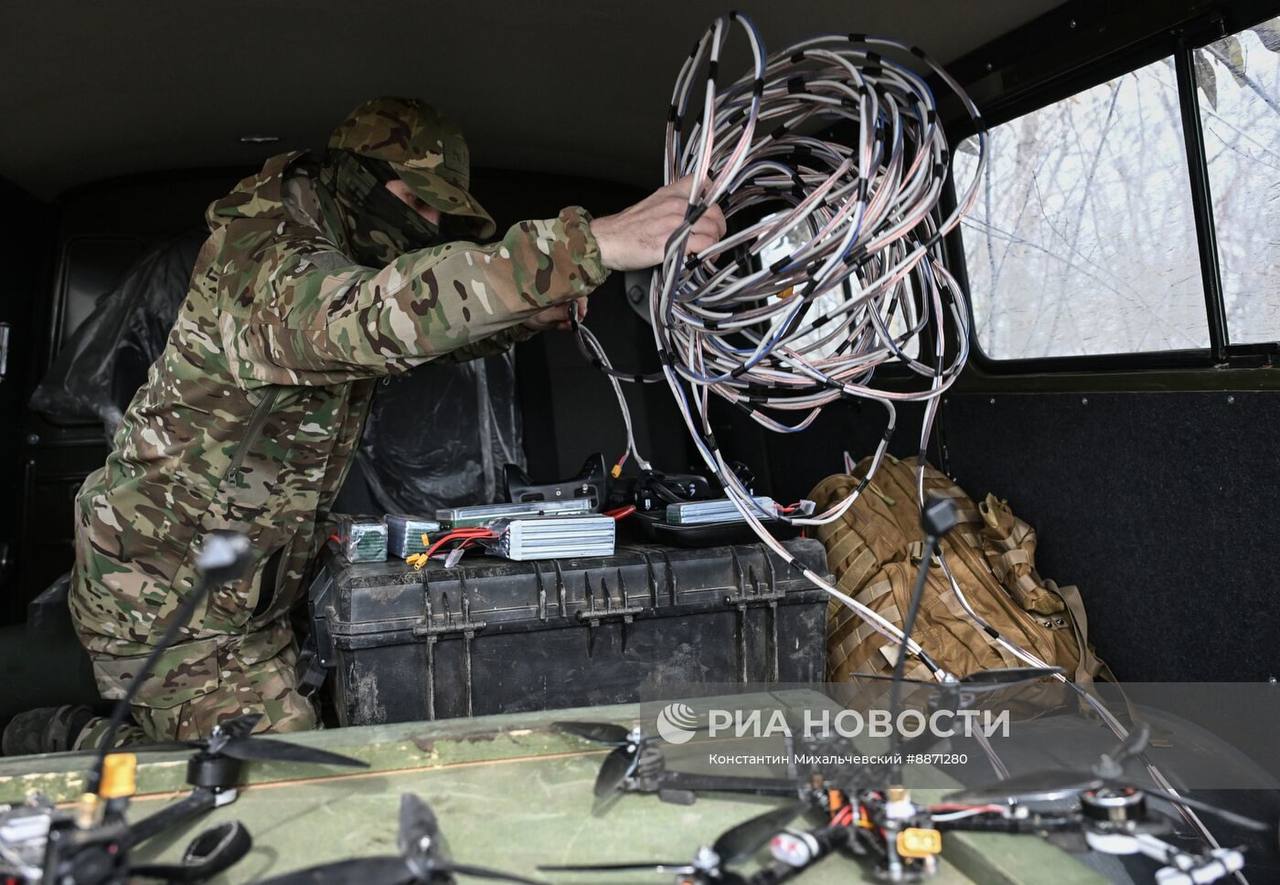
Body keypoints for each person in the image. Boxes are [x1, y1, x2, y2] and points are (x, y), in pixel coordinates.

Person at [26, 96, 726, 749]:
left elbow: (403, 336)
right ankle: (60, 742)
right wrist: (589, 244)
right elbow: (366, 318)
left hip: (250, 584)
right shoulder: (267, 253)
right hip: (165, 597)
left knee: (339, 728)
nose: (422, 224)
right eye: (412, 200)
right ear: (350, 181)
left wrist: (519, 319)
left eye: (435, 211)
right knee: (280, 781)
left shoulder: (335, 252)